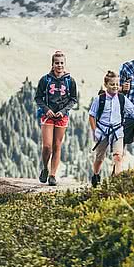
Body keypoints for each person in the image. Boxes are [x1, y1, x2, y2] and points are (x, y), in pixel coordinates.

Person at [89, 71, 134, 187]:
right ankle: (96, 174)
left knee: (118, 156)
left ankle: (117, 182)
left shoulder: (122, 99)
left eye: (116, 84)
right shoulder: (99, 99)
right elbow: (92, 116)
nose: (114, 87)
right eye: (112, 84)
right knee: (100, 157)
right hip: (103, 131)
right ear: (106, 85)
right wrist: (95, 131)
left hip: (117, 131)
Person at [34, 50, 78, 186]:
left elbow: (73, 99)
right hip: (47, 115)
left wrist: (63, 111)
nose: (59, 65)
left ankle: (53, 175)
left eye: (61, 63)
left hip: (62, 116)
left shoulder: (70, 80)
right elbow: (38, 98)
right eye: (56, 63)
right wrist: (46, 110)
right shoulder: (45, 80)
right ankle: (45, 168)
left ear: (65, 64)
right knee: (47, 146)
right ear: (52, 64)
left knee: (57, 145)